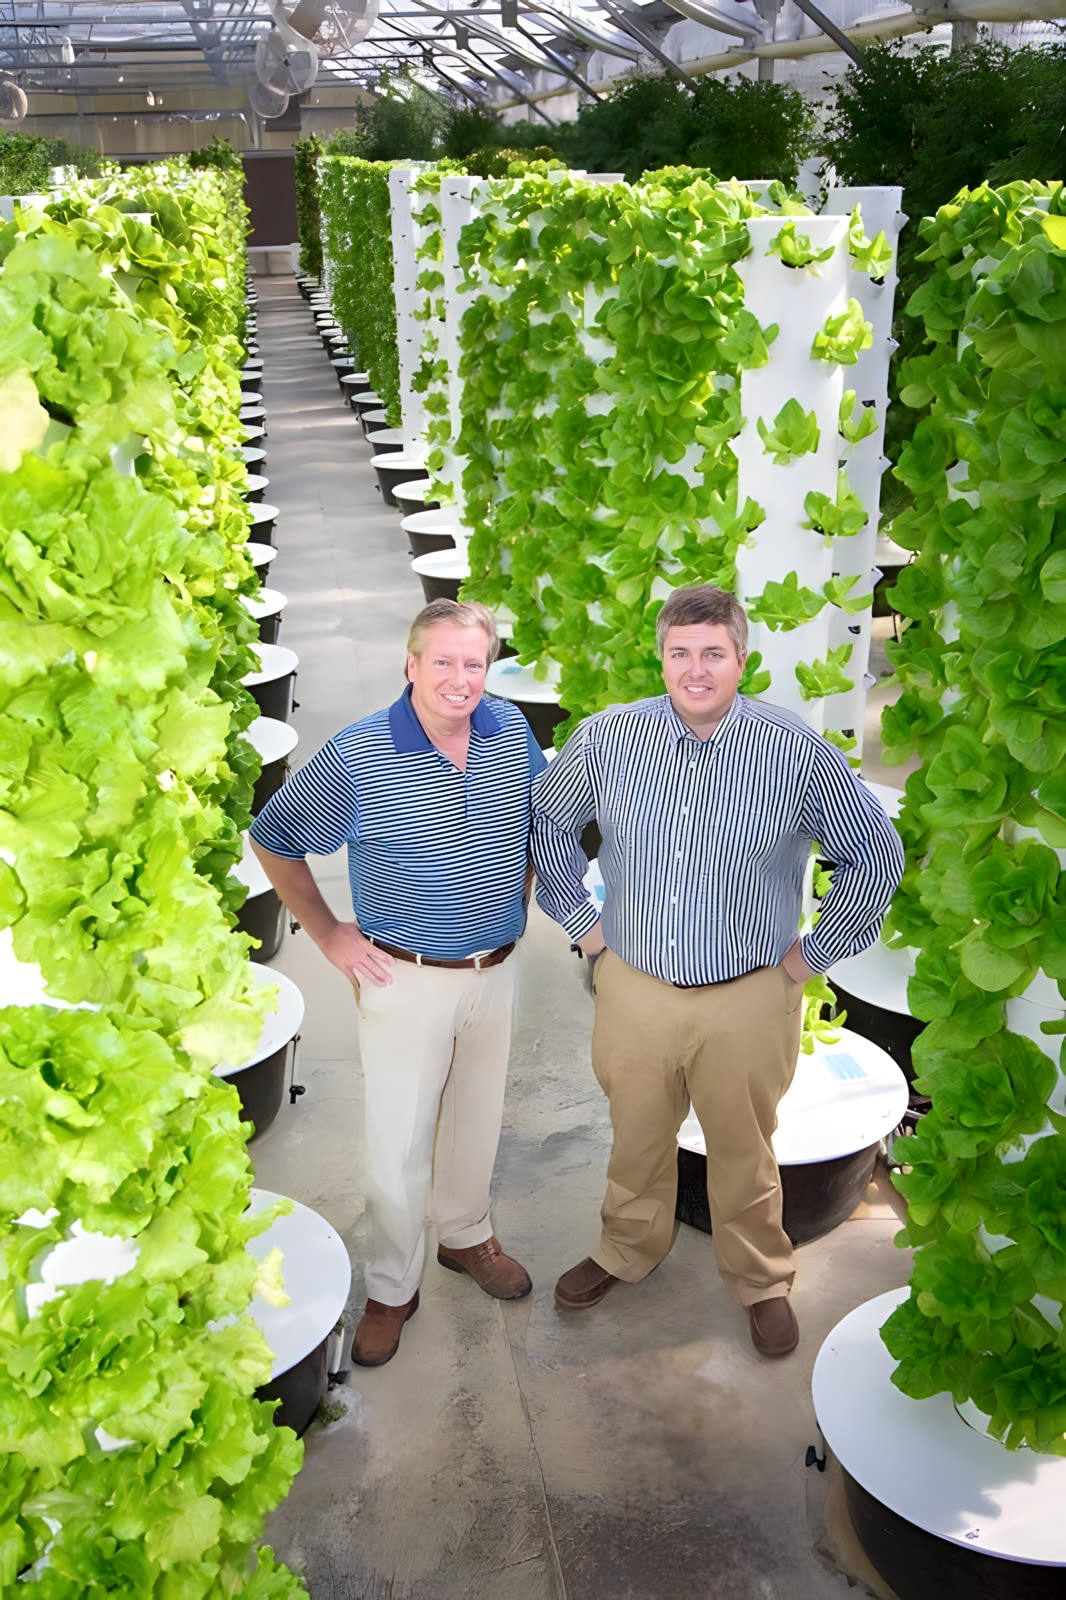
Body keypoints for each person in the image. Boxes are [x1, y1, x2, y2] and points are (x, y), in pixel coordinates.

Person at [529, 584, 904, 1358]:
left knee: (744, 1146)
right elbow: (551, 823)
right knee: (636, 1135)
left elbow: (876, 855)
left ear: (741, 659)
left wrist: (810, 956)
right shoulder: (607, 740)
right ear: (661, 658)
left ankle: (761, 1278)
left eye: (712, 654)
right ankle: (626, 1248)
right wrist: (586, 929)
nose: (694, 670)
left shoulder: (794, 751)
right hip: (634, 987)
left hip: (748, 995)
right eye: (679, 654)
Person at [250, 599, 546, 1368]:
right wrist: (327, 932)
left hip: (497, 966)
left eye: (473, 663)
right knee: (398, 1138)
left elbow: (540, 824)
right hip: (404, 975)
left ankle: (465, 1237)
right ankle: (390, 1285)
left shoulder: (511, 732)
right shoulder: (360, 756)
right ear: (410, 665)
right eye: (442, 662)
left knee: (478, 1118)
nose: (459, 679)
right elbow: (275, 839)